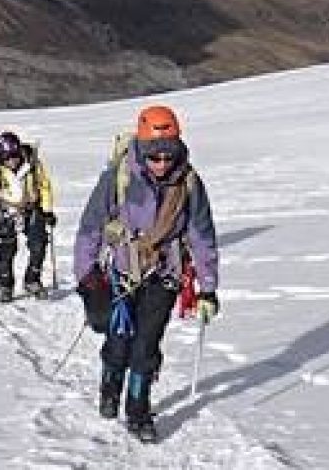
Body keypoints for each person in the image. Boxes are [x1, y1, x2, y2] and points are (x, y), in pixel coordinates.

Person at [72, 105, 219, 442]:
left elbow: (202, 236)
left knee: (146, 346)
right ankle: (110, 386)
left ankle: (138, 411)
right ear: (141, 148)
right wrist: (86, 275)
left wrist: (207, 287)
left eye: (168, 156)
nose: (162, 164)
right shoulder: (119, 176)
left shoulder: (189, 184)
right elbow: (90, 226)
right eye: (155, 157)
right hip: (122, 273)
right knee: (119, 341)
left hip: (164, 276)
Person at [0, 131, 57, 303]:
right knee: (7, 250)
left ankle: (32, 279)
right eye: (7, 157)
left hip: (31, 208)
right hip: (7, 212)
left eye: (14, 155)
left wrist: (48, 210)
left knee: (39, 244)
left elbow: (44, 187)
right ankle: (6, 285)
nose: (12, 161)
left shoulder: (33, 166)